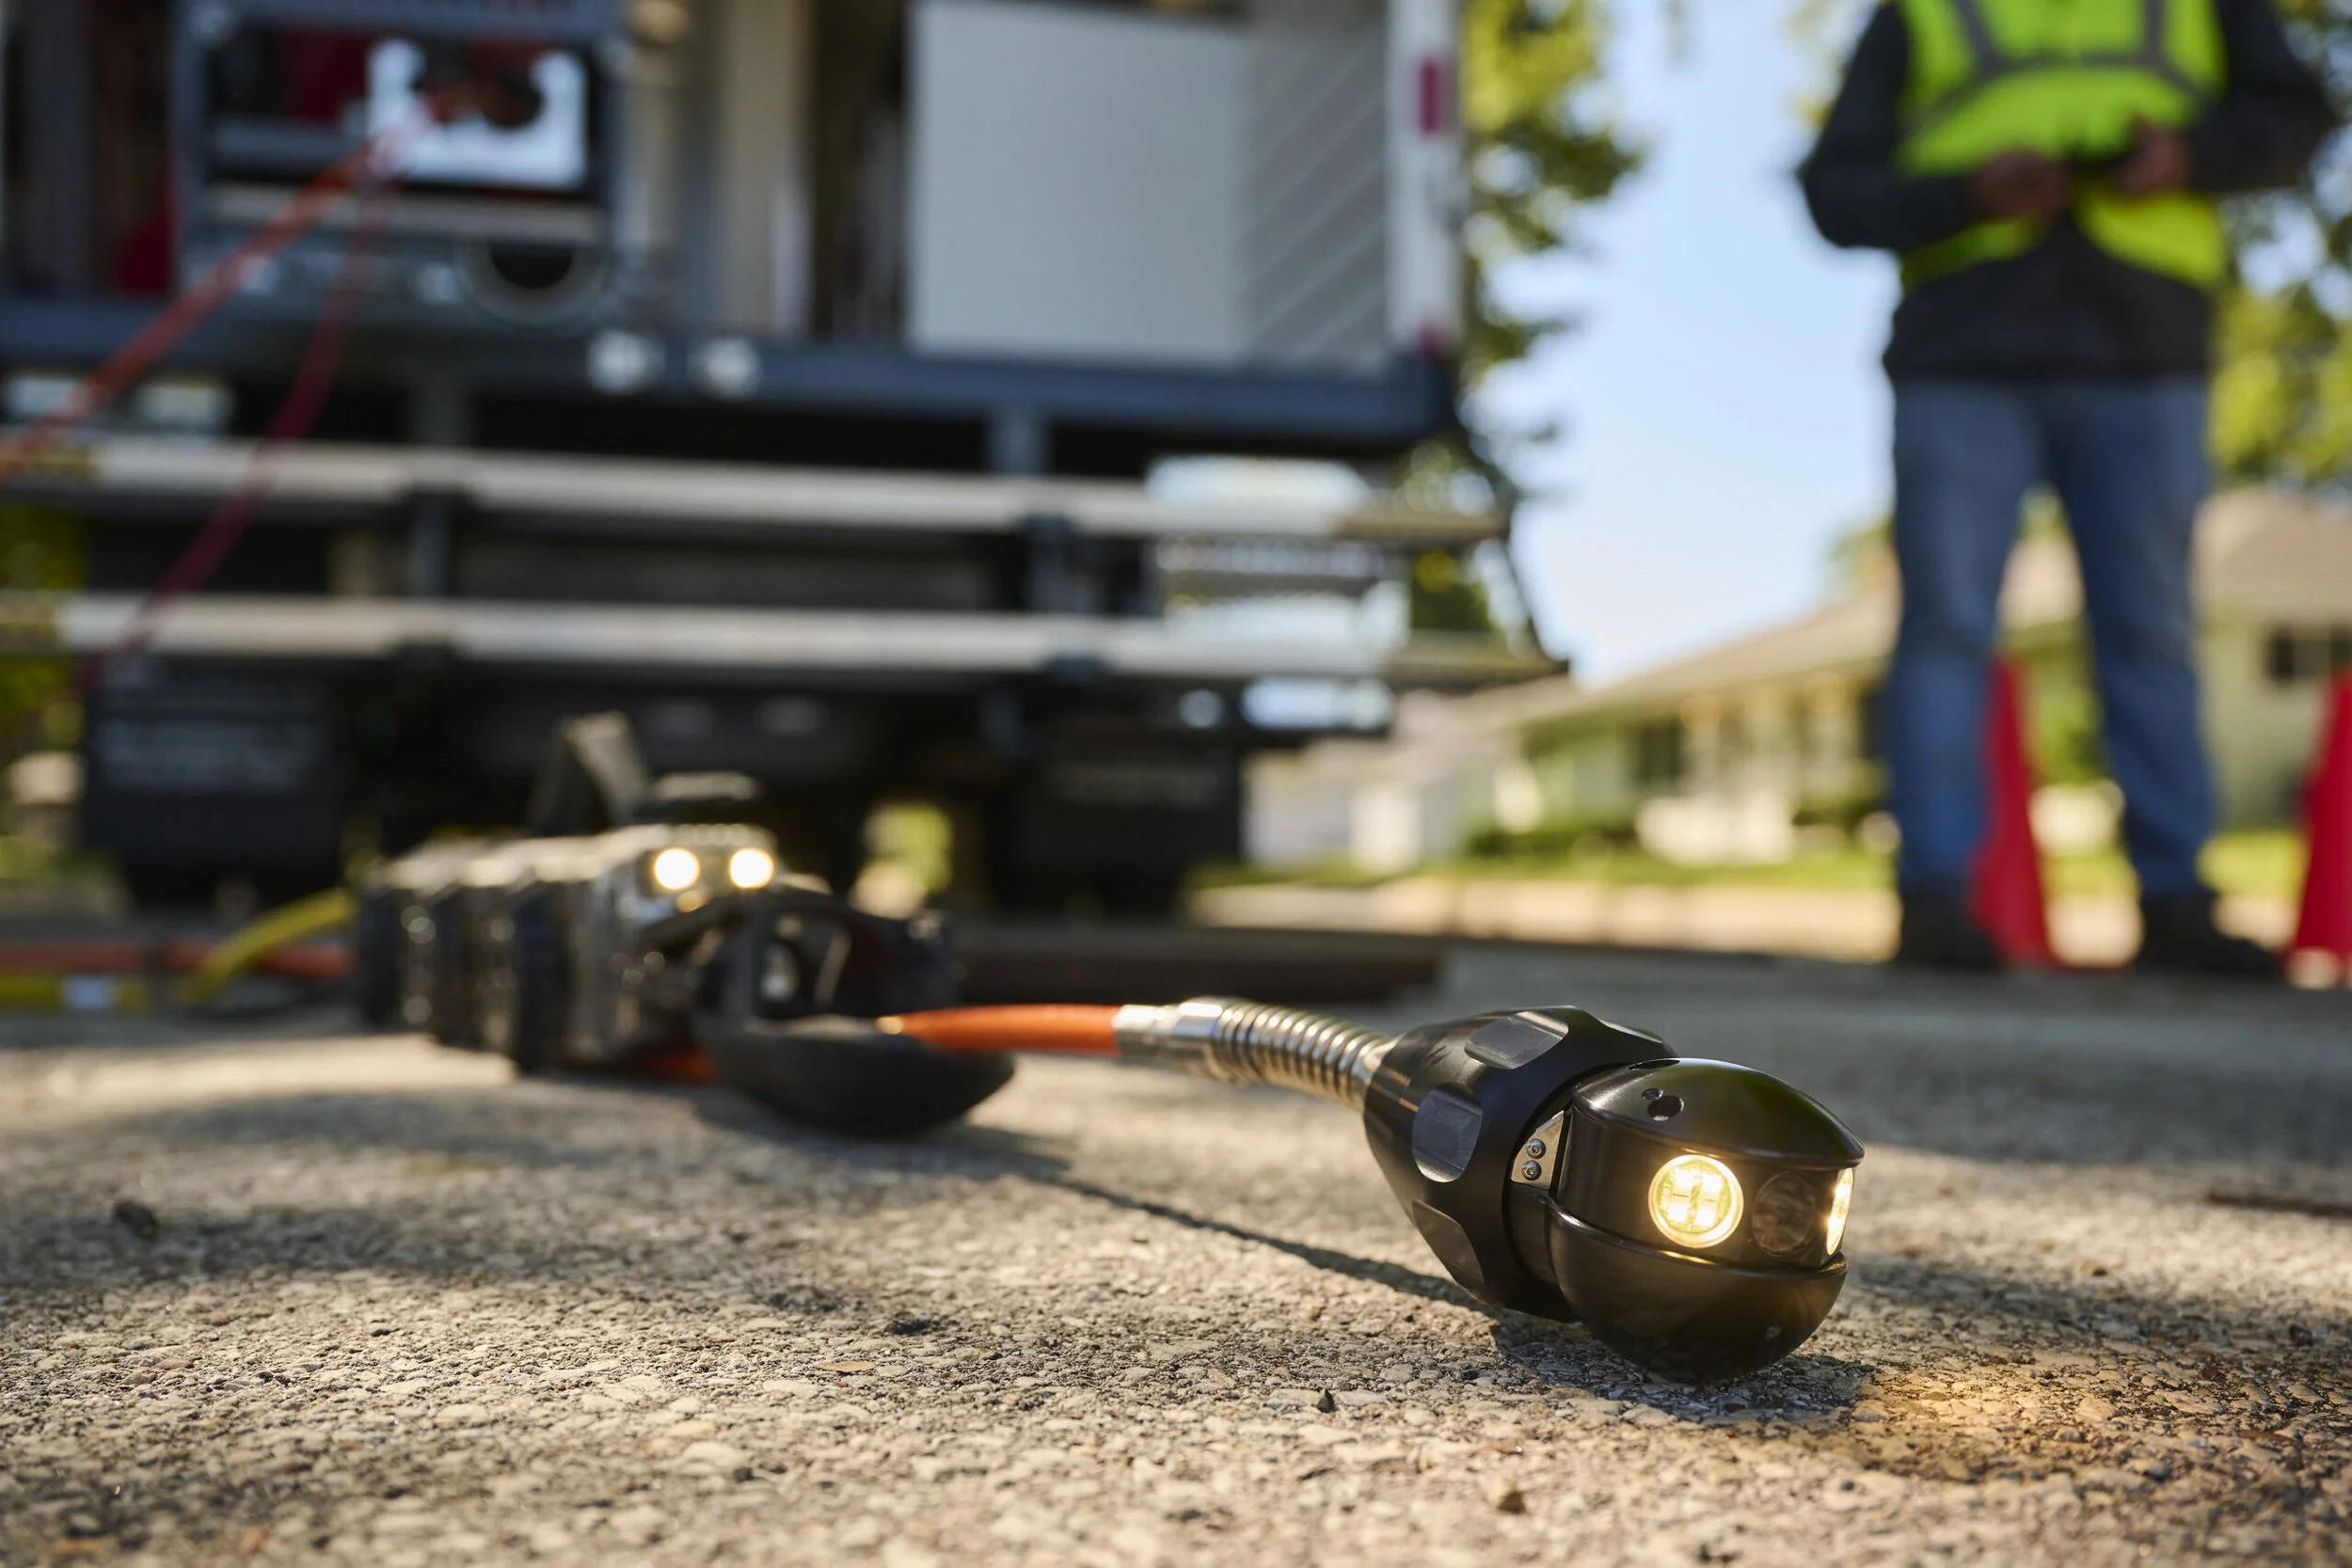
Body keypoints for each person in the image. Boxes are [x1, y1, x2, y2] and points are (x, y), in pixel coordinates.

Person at [1800, 0, 2333, 974]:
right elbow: (1836, 189)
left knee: (2152, 626)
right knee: (1945, 627)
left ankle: (2176, 902)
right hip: (1962, 351)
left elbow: (2296, 117)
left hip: (2144, 349)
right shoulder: (1920, 13)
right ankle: (1932, 900)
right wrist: (1963, 193)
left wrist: (2187, 155)